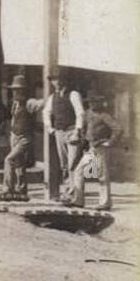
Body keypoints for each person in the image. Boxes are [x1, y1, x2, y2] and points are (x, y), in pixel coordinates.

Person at [65, 94, 115, 210]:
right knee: (79, 171)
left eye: (95, 102)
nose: (92, 104)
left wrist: (110, 142)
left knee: (102, 176)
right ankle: (78, 200)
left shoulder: (105, 116)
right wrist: (81, 140)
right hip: (91, 148)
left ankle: (105, 203)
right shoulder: (87, 114)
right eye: (90, 102)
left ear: (100, 103)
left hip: (101, 148)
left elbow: (118, 129)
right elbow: (84, 128)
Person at [43, 72, 85, 200]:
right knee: (64, 164)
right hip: (59, 132)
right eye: (54, 80)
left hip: (72, 131)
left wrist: (78, 131)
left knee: (74, 163)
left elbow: (80, 113)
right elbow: (46, 112)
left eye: (59, 79)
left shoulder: (73, 94)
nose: (57, 82)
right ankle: (68, 191)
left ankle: (76, 195)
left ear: (65, 81)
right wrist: (50, 129)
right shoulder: (52, 97)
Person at [1, 75, 43, 200]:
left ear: (24, 90)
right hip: (14, 136)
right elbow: (13, 119)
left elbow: (43, 102)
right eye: (14, 90)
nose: (16, 92)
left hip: (25, 137)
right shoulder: (14, 104)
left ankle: (7, 190)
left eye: (19, 90)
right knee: (19, 164)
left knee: (9, 160)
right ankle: (22, 191)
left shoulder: (29, 103)